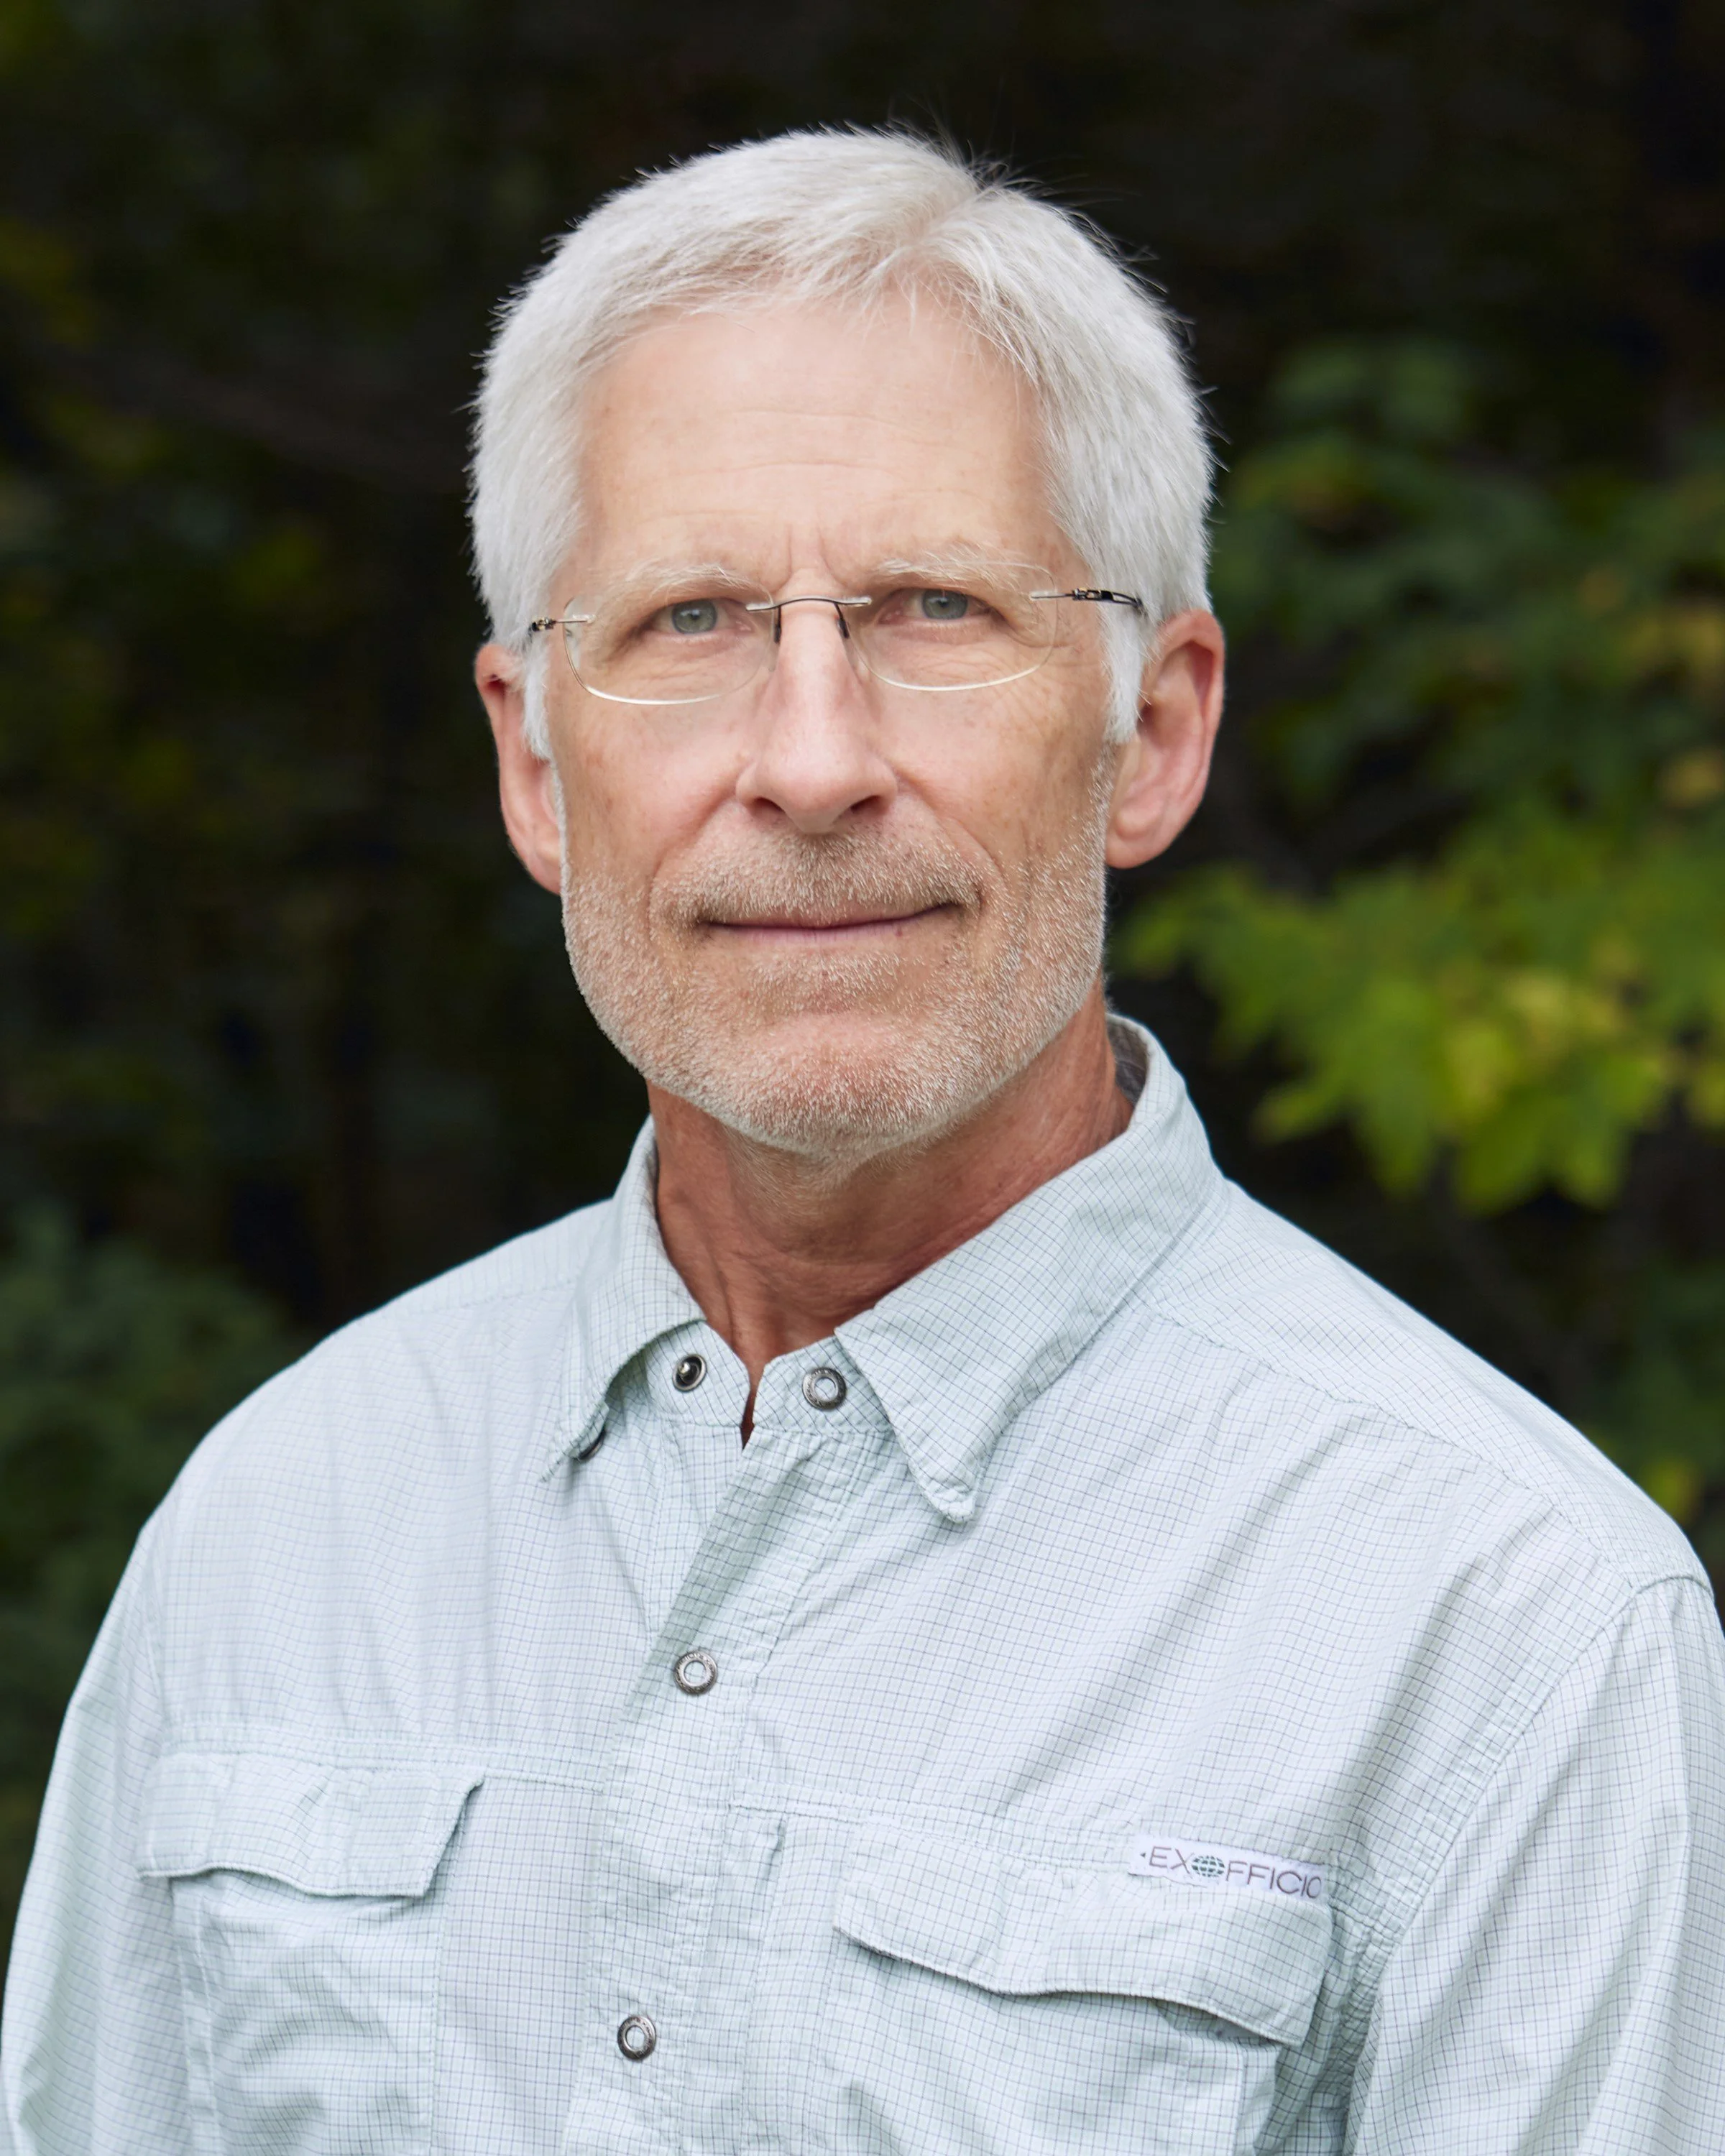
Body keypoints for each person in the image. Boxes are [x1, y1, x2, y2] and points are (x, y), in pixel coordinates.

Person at [4, 129, 1723, 2156]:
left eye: (932, 606)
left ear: (1152, 730)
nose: (812, 762)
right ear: (531, 761)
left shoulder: (1506, 1625)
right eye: (692, 621)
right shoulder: (275, 1530)